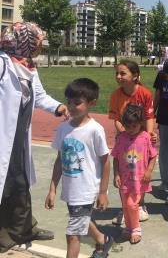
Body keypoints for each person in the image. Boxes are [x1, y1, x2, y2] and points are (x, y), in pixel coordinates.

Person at [0, 22, 69, 253]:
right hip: (3, 136)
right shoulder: (2, 64)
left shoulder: (28, 66)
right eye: (37, 42)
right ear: (25, 42)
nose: (40, 47)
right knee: (7, 183)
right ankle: (5, 234)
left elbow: (39, 96)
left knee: (20, 181)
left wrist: (58, 107)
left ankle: (25, 227)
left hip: (18, 136)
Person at [45, 79, 113, 257]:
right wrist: (52, 189)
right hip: (70, 189)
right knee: (81, 220)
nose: (72, 106)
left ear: (92, 103)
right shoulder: (63, 129)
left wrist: (103, 192)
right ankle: (102, 240)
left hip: (86, 189)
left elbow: (106, 161)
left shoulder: (95, 130)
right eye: (69, 102)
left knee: (72, 234)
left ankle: (100, 241)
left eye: (78, 103)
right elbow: (60, 160)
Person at [109, 60, 156, 225]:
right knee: (124, 172)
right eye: (117, 73)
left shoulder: (145, 93)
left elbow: (149, 117)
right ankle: (125, 208)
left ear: (135, 76)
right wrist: (124, 135)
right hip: (125, 139)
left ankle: (140, 204)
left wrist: (149, 135)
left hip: (141, 139)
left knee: (140, 171)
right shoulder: (116, 95)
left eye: (123, 73)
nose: (119, 76)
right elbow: (116, 119)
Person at [111, 104, 157, 244]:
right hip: (124, 179)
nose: (131, 130)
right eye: (128, 126)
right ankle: (128, 227)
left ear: (141, 123)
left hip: (139, 179)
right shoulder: (121, 138)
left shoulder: (145, 138)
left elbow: (153, 156)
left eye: (134, 126)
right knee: (125, 204)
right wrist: (116, 174)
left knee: (132, 204)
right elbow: (116, 157)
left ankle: (136, 228)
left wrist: (149, 171)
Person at [153, 58, 168, 205]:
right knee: (164, 151)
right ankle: (165, 182)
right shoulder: (162, 75)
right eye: (167, 75)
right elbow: (157, 95)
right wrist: (151, 113)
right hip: (163, 117)